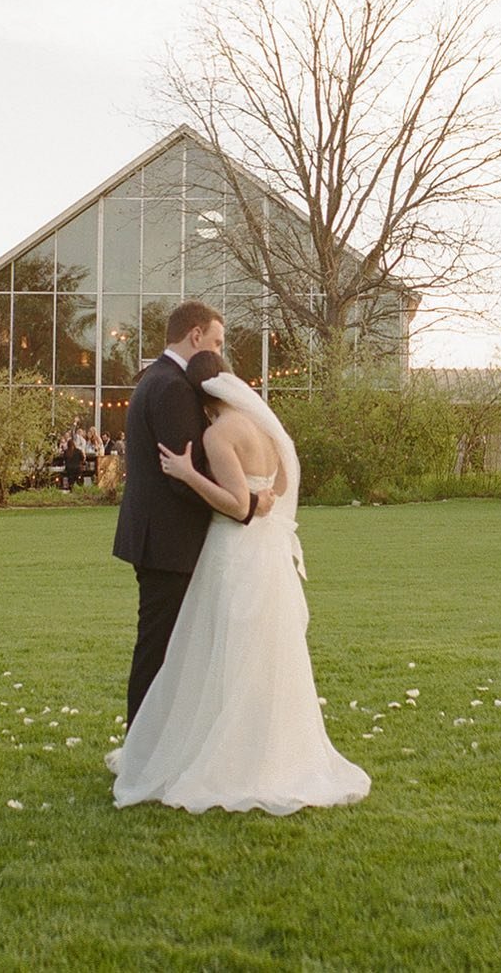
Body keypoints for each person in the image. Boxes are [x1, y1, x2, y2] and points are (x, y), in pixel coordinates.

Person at [109, 350, 370, 815]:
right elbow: (283, 484)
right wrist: (264, 495)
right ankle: (269, 748)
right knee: (266, 649)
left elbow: (234, 505)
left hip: (236, 550)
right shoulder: (267, 430)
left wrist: (190, 475)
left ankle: (226, 755)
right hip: (269, 555)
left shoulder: (218, 433)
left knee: (222, 648)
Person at [112, 300, 275, 726]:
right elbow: (183, 476)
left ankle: (152, 744)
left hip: (159, 538)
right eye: (217, 342)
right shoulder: (173, 387)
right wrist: (248, 504)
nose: (218, 355)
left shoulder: (157, 378)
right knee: (159, 650)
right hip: (169, 542)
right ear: (195, 335)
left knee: (166, 648)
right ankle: (142, 749)